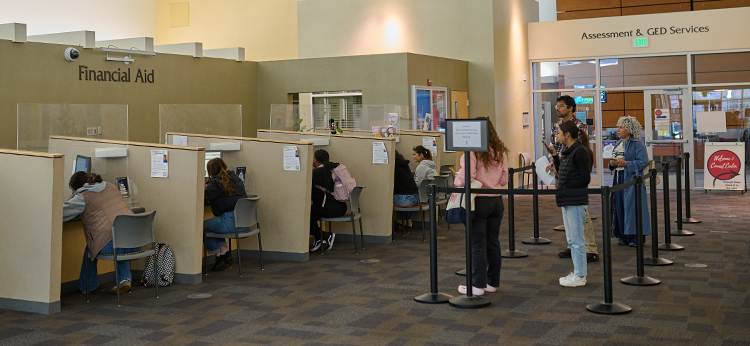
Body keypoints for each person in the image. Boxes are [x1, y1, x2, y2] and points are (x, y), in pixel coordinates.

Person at [454, 117, 509, 296]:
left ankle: (477, 285)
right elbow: (504, 179)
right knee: (493, 242)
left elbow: (466, 177)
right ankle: (492, 283)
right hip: (496, 201)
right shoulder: (499, 151)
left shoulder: (472, 151)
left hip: (478, 201)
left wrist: (456, 180)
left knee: (477, 244)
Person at [63, 172, 138, 294]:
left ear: (76, 188)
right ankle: (124, 279)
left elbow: (61, 213)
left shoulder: (83, 197)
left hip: (116, 243)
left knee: (92, 247)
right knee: (118, 237)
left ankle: (87, 286)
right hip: (136, 239)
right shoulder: (110, 186)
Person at [550, 95, 599, 263]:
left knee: (581, 212)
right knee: (567, 212)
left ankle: (590, 248)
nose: (558, 108)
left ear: (571, 108)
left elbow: (578, 151)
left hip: (575, 174)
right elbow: (555, 148)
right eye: (557, 106)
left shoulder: (580, 126)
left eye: (561, 106)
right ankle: (572, 245)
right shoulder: (555, 126)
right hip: (561, 173)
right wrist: (553, 162)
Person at [548, 121, 593, 287]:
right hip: (567, 199)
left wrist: (566, 188)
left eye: (559, 133)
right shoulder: (569, 151)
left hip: (575, 200)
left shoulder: (579, 152)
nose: (557, 136)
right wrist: (554, 157)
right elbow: (564, 174)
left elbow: (584, 178)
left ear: (567, 134)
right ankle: (577, 272)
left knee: (577, 240)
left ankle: (580, 275)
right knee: (571, 238)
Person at [609, 116, 651, 246]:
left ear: (629, 129)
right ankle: (623, 236)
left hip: (632, 179)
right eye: (618, 127)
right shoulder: (618, 143)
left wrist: (626, 164)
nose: (618, 130)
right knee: (619, 205)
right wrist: (612, 163)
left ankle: (635, 238)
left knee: (632, 207)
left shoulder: (637, 144)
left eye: (621, 127)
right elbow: (614, 157)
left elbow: (643, 162)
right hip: (619, 177)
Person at [204, 158, 248, 272]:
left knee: (201, 227)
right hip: (244, 222)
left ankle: (219, 254)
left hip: (229, 222)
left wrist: (207, 183)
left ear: (210, 172)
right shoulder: (236, 178)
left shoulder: (216, 183)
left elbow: (203, 196)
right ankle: (223, 253)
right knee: (213, 226)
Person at [310, 149, 347, 251]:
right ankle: (320, 237)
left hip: (328, 208)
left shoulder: (316, 172)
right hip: (341, 206)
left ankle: (324, 236)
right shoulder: (335, 168)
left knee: (304, 216)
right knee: (311, 213)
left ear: (315, 160)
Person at [393, 150, 420, 228]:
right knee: (404, 192)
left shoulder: (395, 168)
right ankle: (408, 221)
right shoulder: (404, 165)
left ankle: (401, 222)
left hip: (406, 199)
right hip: (414, 198)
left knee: (384, 201)